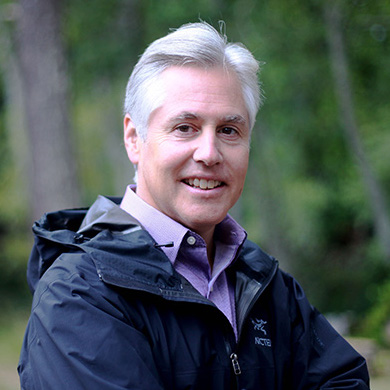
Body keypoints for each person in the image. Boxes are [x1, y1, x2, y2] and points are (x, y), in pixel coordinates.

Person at [18, 22, 370, 389]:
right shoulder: (78, 294)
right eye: (185, 127)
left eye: (229, 131)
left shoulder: (265, 285)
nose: (209, 153)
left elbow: (345, 381)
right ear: (134, 138)